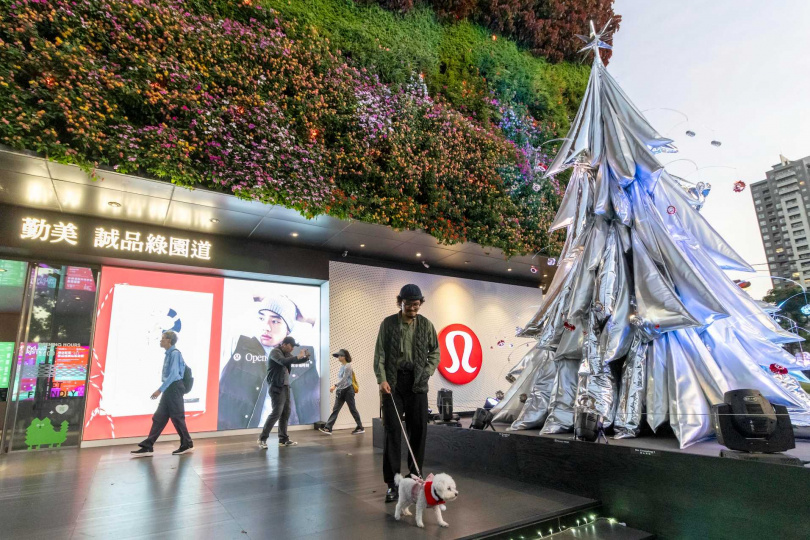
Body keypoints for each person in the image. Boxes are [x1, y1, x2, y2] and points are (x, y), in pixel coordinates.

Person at [374, 284, 440, 503]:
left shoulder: (427, 325)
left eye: (416, 304)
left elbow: (435, 352)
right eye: (408, 304)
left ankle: (414, 478)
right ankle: (393, 484)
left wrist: (426, 373)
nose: (412, 308)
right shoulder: (388, 324)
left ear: (420, 303)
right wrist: (382, 379)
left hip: (417, 384)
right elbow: (380, 354)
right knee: (392, 432)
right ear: (400, 302)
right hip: (393, 383)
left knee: (419, 430)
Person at [217, 295, 316, 430]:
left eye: (275, 321)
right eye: (261, 318)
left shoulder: (302, 353)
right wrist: (257, 298)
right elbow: (226, 311)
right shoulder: (239, 345)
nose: (266, 327)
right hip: (236, 434)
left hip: (286, 434)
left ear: (288, 329)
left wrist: (307, 319)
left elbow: (327, 334)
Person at [131, 330, 193, 457]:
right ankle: (148, 445)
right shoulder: (169, 354)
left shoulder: (175, 354)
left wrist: (160, 390)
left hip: (174, 388)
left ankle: (187, 443)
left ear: (169, 340)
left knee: (177, 417)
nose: (160, 340)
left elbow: (174, 374)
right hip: (170, 389)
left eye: (163, 338)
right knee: (159, 417)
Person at [258, 336, 310, 448]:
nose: (292, 349)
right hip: (276, 387)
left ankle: (283, 439)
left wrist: (306, 358)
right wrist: (298, 356)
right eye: (291, 346)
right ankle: (262, 439)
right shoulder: (275, 352)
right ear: (284, 344)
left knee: (285, 413)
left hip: (285, 387)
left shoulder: (287, 354)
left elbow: (295, 360)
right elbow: (282, 361)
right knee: (276, 413)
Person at [319, 349, 364, 435]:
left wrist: (335, 385)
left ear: (344, 357)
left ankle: (360, 427)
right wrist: (338, 388)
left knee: (352, 409)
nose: (338, 357)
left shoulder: (348, 366)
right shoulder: (342, 366)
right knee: (335, 409)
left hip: (348, 390)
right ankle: (328, 428)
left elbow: (344, 379)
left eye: (339, 356)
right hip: (341, 391)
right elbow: (342, 379)